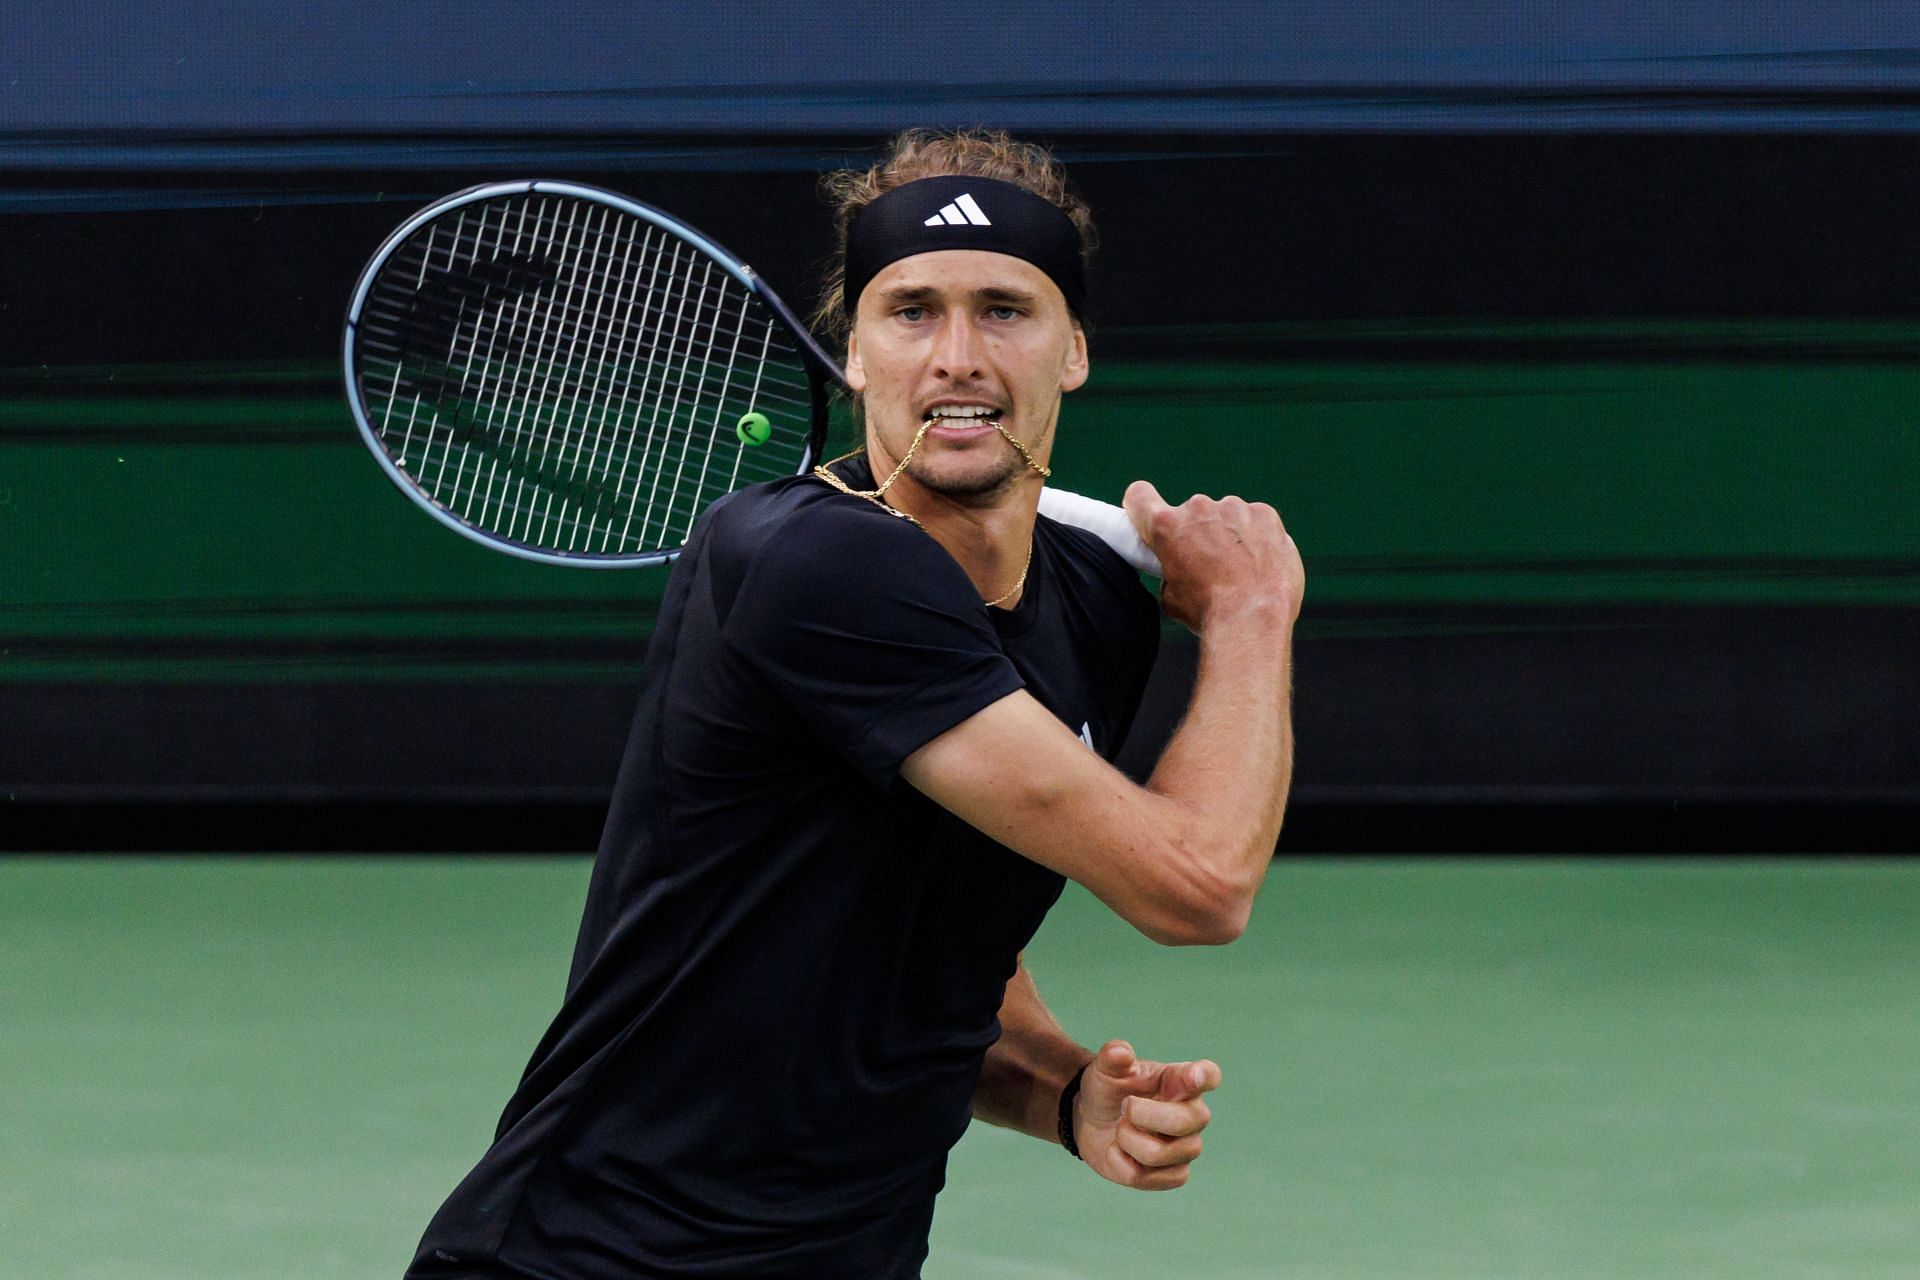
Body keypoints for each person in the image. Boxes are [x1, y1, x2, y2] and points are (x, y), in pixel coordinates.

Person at [406, 128, 1304, 1280]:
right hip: (588, 1257)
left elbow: (943, 947)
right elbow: (1199, 886)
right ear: (856, 357)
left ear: (1074, 349)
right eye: (913, 311)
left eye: (1005, 311)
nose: (957, 357)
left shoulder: (1094, 608)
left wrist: (1062, 1089)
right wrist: (1251, 610)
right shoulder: (810, 565)